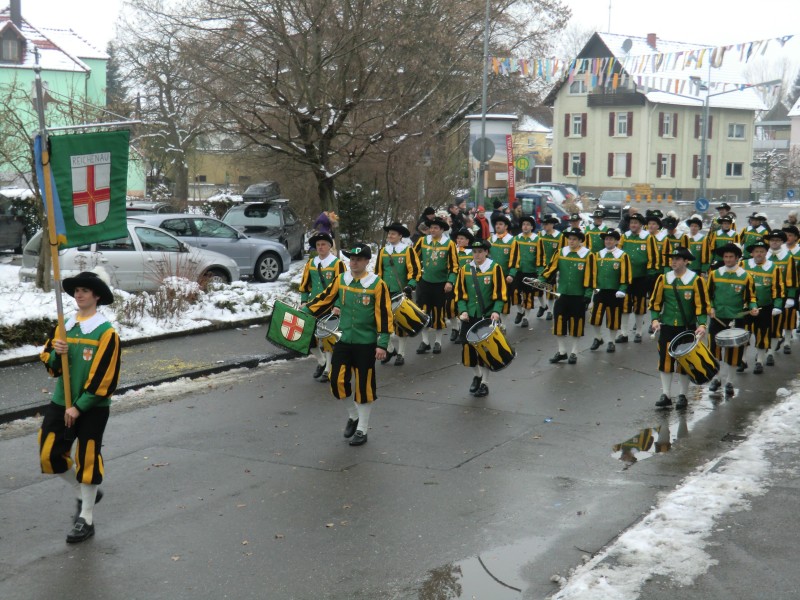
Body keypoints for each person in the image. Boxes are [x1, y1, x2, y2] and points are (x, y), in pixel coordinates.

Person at [38, 269, 121, 543]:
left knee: (87, 457)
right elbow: (49, 362)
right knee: (49, 454)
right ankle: (84, 491)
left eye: (85, 290)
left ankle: (86, 518)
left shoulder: (106, 333)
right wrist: (55, 354)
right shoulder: (65, 325)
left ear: (97, 296)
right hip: (61, 401)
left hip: (92, 407)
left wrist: (80, 406)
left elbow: (105, 378)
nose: (79, 294)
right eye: (76, 290)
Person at [305, 243, 394, 446]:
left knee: (364, 386)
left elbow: (385, 315)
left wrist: (382, 343)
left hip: (366, 343)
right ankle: (353, 415)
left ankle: (362, 428)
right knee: (337, 381)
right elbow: (325, 298)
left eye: (359, 259)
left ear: (367, 261)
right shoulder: (342, 279)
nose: (354, 263)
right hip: (344, 340)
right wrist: (307, 310)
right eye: (351, 259)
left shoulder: (376, 284)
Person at [649, 247, 710, 409]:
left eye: (677, 259)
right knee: (665, 361)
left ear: (685, 261)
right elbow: (655, 303)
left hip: (686, 327)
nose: (673, 262)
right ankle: (666, 394)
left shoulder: (696, 280)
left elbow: (701, 306)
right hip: (668, 325)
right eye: (672, 259)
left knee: (684, 362)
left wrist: (702, 324)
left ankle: (683, 394)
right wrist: (655, 319)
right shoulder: (663, 279)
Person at [454, 239, 508, 397]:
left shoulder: (494, 268)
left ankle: (485, 383)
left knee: (486, 351)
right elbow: (460, 294)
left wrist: (497, 311)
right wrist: (462, 311)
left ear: (486, 252)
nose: (476, 254)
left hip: (486, 316)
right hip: (469, 315)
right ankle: (477, 375)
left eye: (480, 251)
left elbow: (500, 294)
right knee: (467, 348)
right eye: (474, 252)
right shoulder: (465, 269)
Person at [706, 243, 758, 396]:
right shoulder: (714, 274)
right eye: (726, 257)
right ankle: (716, 378)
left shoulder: (746, 276)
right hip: (718, 317)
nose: (728, 260)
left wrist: (753, 307)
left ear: (737, 258)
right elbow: (708, 295)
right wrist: (711, 307)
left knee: (734, 351)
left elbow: (751, 297)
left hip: (737, 318)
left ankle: (730, 381)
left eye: (731, 257)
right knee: (714, 349)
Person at [539, 228, 597, 364]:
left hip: (578, 295)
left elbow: (591, 276)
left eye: (574, 239)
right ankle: (562, 351)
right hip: (562, 293)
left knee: (576, 324)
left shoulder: (588, 255)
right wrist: (541, 279)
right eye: (570, 239)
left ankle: (574, 352)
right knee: (558, 322)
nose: (571, 241)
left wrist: (588, 295)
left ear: (580, 241)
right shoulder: (561, 252)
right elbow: (550, 268)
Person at [299, 232, 347, 381]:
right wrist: (303, 300)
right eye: (318, 245)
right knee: (309, 336)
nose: (320, 247)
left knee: (327, 337)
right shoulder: (311, 263)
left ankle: (328, 369)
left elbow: (343, 286)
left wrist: (338, 305)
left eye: (323, 244)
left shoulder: (337, 263)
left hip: (330, 306)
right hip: (313, 305)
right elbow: (305, 284)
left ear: (329, 246)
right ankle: (321, 361)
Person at [375, 223, 421, 366]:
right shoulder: (383, 251)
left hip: (401, 292)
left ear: (400, 236)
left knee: (401, 324)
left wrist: (410, 285)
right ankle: (389, 349)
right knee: (382, 323)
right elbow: (378, 271)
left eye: (393, 234)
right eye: (389, 234)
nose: (390, 236)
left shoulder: (407, 251)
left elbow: (415, 271)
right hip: (384, 292)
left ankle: (401, 353)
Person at [413, 216, 459, 354]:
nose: (432, 230)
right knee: (423, 312)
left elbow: (454, 266)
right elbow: (413, 257)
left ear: (442, 230)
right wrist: (416, 275)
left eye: (435, 228)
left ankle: (438, 342)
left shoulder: (448, 244)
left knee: (438, 313)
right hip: (425, 282)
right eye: (431, 227)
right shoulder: (422, 241)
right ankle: (425, 341)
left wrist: (450, 281)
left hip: (441, 284)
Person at [740, 239, 784, 375]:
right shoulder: (743, 264)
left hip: (764, 307)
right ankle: (742, 359)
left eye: (762, 251)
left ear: (766, 253)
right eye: (756, 251)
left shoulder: (773, 268)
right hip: (746, 307)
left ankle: (759, 361)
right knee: (743, 333)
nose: (759, 254)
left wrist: (777, 305)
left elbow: (778, 288)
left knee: (762, 333)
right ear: (752, 253)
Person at [617, 213, 659, 343]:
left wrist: (650, 274)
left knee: (639, 305)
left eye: (636, 223)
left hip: (641, 277)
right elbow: (618, 253)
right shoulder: (624, 237)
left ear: (641, 225)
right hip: (625, 276)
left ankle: (639, 332)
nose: (633, 225)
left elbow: (653, 256)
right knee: (624, 304)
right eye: (631, 223)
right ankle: (624, 333)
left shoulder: (648, 237)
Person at [588, 229, 631, 353]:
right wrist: (593, 287)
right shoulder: (597, 255)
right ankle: (597, 338)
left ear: (616, 241)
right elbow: (593, 273)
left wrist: (622, 289)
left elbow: (626, 275)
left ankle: (611, 341)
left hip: (614, 291)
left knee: (613, 318)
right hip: (600, 290)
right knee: (595, 317)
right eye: (606, 239)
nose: (608, 241)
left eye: (611, 239)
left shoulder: (622, 256)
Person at [764, 230, 797, 362]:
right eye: (772, 240)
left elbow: (791, 278)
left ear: (781, 242)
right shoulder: (763, 255)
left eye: (777, 240)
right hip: (765, 296)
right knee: (764, 325)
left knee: (778, 323)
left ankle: (771, 351)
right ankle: (764, 348)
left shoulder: (787, 257)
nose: (774, 242)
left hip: (781, 296)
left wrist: (791, 296)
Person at [535, 214, 566, 320]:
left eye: (547, 224)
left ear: (552, 224)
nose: (544, 226)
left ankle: (550, 311)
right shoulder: (539, 235)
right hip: (540, 265)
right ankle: (543, 306)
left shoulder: (559, 236)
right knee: (538, 288)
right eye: (543, 224)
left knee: (550, 290)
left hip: (552, 266)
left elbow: (562, 251)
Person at [511, 215, 540, 327]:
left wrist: (539, 271)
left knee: (528, 295)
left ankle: (526, 318)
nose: (525, 226)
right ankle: (520, 311)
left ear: (532, 227)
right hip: (518, 271)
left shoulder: (537, 239)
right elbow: (513, 255)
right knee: (515, 293)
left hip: (531, 271)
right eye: (523, 224)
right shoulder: (516, 239)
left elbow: (539, 256)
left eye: (528, 224)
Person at [488, 214, 519, 315]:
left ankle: (503, 325)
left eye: (500, 224)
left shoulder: (512, 241)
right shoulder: (490, 240)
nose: (497, 226)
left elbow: (515, 259)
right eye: (496, 224)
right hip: (491, 274)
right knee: (491, 298)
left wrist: (511, 274)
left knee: (504, 299)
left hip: (505, 275)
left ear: (506, 227)